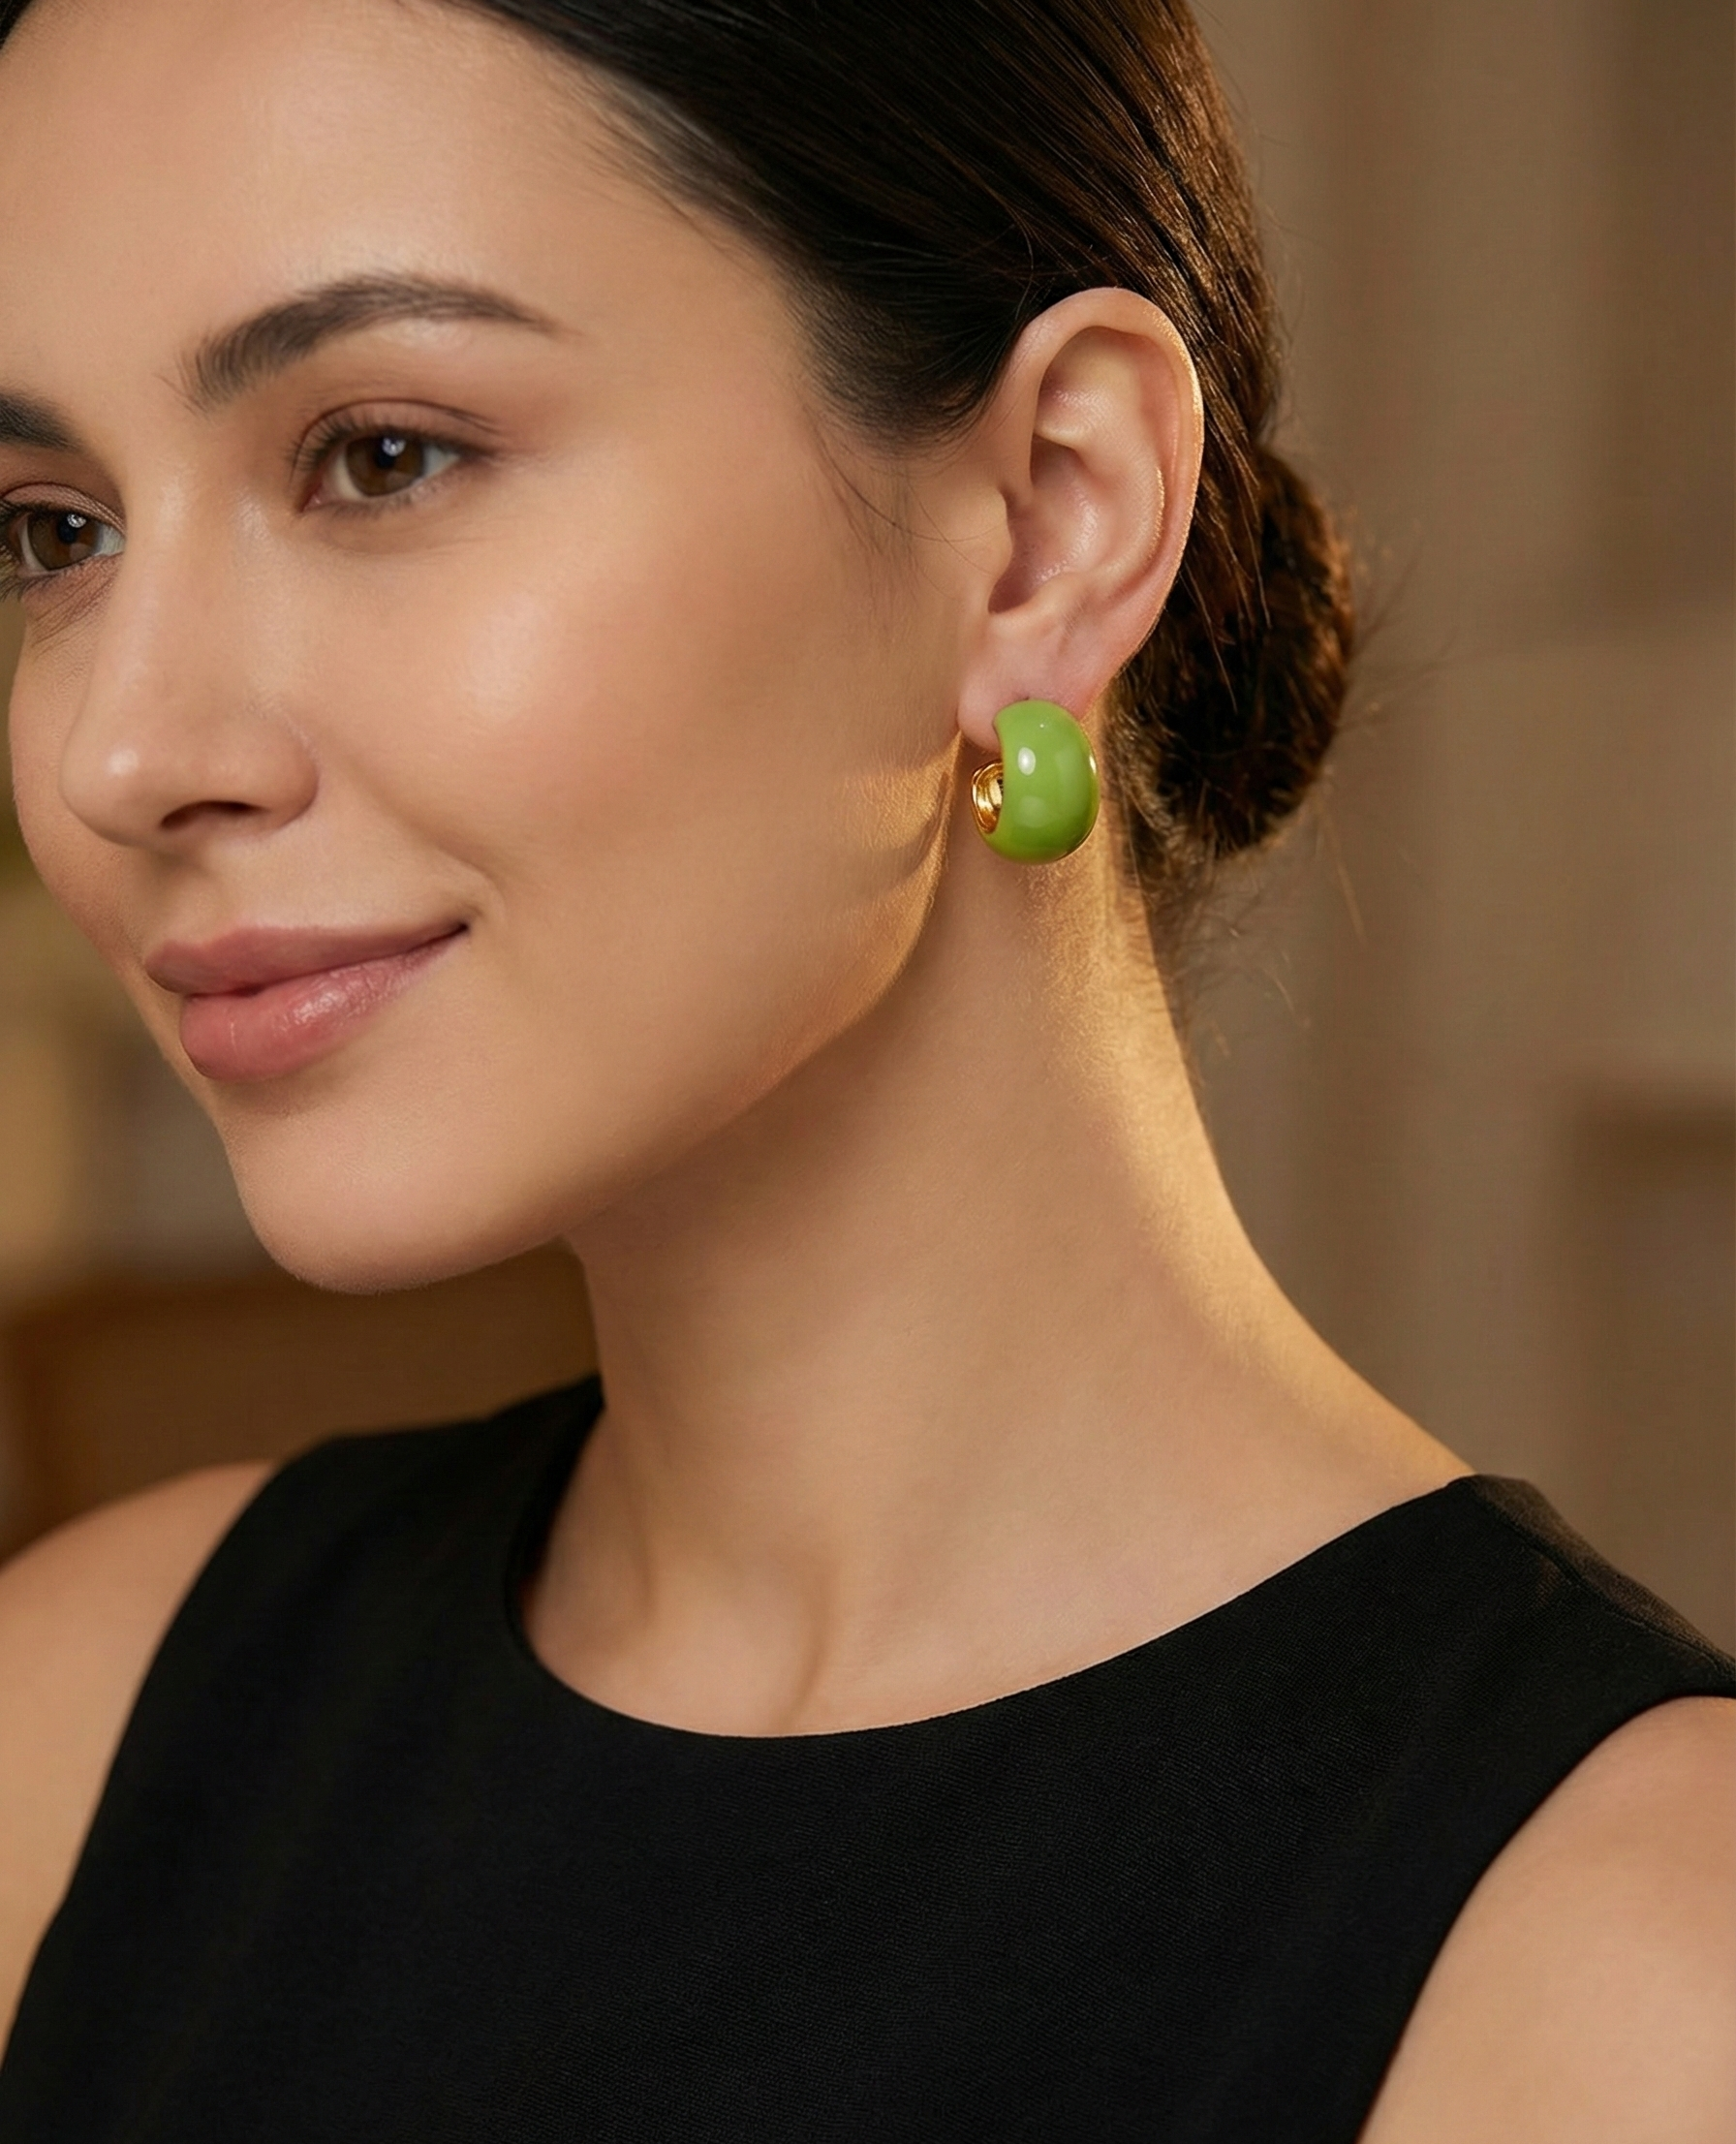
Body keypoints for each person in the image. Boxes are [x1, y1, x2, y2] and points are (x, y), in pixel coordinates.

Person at [0, 0, 1729, 2135]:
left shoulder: (1632, 1969)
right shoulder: (73, 1731)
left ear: (1046, 520)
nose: (120, 751)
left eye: (382, 454)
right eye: (54, 530)